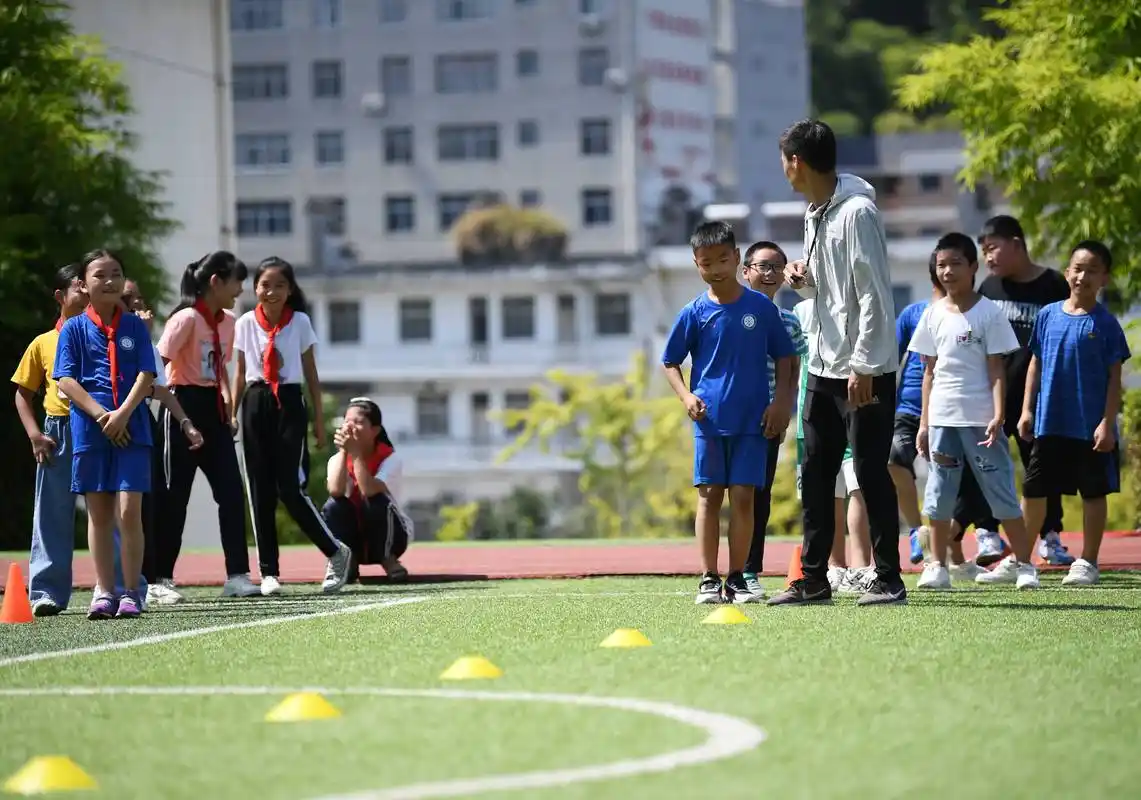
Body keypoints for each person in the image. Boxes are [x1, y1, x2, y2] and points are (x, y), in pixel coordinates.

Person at [769, 119, 905, 607]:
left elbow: (873, 295)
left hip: (862, 370)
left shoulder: (858, 213)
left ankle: (889, 578)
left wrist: (865, 366)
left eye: (784, 160)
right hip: (824, 366)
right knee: (816, 470)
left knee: (869, 472)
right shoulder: (815, 212)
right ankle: (814, 579)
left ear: (797, 162)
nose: (783, 169)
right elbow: (832, 290)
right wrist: (801, 279)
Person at [662, 221, 795, 605]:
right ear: (696, 264)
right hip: (708, 421)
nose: (717, 268)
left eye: (724, 259)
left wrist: (781, 403)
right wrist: (686, 397)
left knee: (743, 497)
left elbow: (786, 358)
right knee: (708, 496)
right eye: (707, 262)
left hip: (754, 421)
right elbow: (671, 361)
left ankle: (737, 578)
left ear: (737, 258)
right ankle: (708, 578)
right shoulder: (693, 312)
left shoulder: (760, 308)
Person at [907, 233, 1038, 590]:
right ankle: (938, 567)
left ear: (973, 268)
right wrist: (924, 424)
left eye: (955, 264)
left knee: (1001, 493)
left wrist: (998, 415)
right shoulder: (932, 314)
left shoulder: (989, 313)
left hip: (981, 422)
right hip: (942, 422)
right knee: (938, 493)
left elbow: (997, 369)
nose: (948, 271)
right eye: (941, 265)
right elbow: (928, 373)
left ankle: (1026, 566)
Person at [232, 257, 352, 595]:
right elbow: (239, 373)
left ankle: (335, 551)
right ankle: (269, 572)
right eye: (265, 285)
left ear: (290, 290)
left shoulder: (299, 322)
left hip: (288, 401)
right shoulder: (244, 323)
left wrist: (317, 418)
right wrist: (231, 412)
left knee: (290, 486)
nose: (271, 291)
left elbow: (311, 372)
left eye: (279, 285)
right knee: (259, 492)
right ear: (255, 288)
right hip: (254, 402)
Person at [1018, 241, 1131, 586]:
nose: (1082, 276)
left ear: (1104, 279)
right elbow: (1035, 363)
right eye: (1077, 268)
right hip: (1049, 421)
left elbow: (1115, 378)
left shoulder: (1106, 323)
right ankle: (1023, 562)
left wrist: (1107, 423)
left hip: (1089, 426)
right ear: (1067, 272)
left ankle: (1088, 562)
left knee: (1093, 492)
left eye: (1092, 270)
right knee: (1034, 490)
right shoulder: (1048, 315)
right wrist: (1026, 410)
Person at [53, 251, 157, 618]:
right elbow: (65, 378)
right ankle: (104, 590)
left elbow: (147, 374)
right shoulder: (74, 328)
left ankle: (131, 591)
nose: (110, 281)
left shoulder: (133, 327)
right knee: (99, 515)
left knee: (130, 512)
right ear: (83, 284)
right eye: (100, 275)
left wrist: (123, 415)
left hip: (132, 426)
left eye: (116, 273)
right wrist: (101, 416)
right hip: (91, 428)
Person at [155, 252, 260, 598]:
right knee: (174, 497)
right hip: (181, 406)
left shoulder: (228, 322)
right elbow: (160, 366)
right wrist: (182, 416)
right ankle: (159, 578)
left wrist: (229, 408)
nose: (239, 290)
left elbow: (220, 369)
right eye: (236, 283)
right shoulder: (185, 319)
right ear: (216, 281)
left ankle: (237, 575)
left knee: (231, 492)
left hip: (213, 409)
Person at [975, 215, 1073, 565]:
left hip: (1040, 400)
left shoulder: (1054, 286)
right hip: (993, 399)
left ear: (1017, 244)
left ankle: (1050, 537)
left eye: (993, 248)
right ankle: (988, 534)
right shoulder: (988, 289)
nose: (989, 257)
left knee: (1043, 470)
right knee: (988, 467)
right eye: (983, 252)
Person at [12, 264, 91, 615]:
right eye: (79, 285)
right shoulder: (43, 343)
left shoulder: (101, 336)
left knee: (111, 511)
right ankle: (46, 592)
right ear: (60, 296)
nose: (87, 290)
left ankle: (119, 588)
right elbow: (22, 393)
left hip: (99, 428)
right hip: (58, 431)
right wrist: (34, 435)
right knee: (52, 514)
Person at [120, 280, 204, 606]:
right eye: (130, 299)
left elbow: (159, 387)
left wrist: (185, 423)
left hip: (140, 423)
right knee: (106, 508)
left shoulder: (144, 341)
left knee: (145, 504)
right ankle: (110, 582)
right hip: (103, 423)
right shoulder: (90, 334)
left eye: (139, 297)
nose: (138, 305)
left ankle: (150, 580)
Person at [791, 297, 874, 595]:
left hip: (851, 407)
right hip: (810, 415)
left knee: (858, 487)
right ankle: (835, 568)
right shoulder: (799, 313)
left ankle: (863, 567)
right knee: (827, 492)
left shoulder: (852, 305)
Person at [740, 240, 807, 600]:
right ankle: (720, 574)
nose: (769, 273)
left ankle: (750, 571)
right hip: (732, 418)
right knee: (729, 495)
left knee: (760, 495)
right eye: (762, 266)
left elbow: (792, 372)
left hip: (768, 419)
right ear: (746, 271)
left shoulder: (788, 321)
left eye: (776, 266)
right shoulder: (730, 313)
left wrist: (782, 411)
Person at [323, 398, 413, 581]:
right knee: (333, 505)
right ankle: (347, 561)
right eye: (347, 421)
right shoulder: (335, 460)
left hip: (390, 537)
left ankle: (389, 559)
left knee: (377, 501)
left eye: (358, 422)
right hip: (354, 532)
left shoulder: (390, 459)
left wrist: (355, 454)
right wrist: (344, 452)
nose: (350, 427)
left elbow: (369, 491)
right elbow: (336, 490)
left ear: (375, 430)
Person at [891, 253, 941, 567]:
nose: (948, 272)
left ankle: (949, 549)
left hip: (950, 411)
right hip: (907, 408)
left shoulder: (971, 314)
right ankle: (914, 529)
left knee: (943, 481)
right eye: (942, 265)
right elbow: (890, 358)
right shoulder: (914, 313)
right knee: (893, 460)